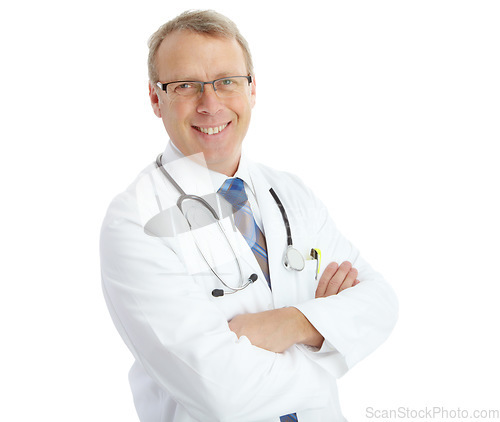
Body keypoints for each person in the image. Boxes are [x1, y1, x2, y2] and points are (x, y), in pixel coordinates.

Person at [100, 9, 398, 422]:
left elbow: (380, 303)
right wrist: (331, 334)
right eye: (186, 85)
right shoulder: (135, 222)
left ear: (252, 88)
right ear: (156, 98)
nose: (210, 104)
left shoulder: (290, 193)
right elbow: (224, 394)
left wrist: (288, 324)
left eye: (227, 81)